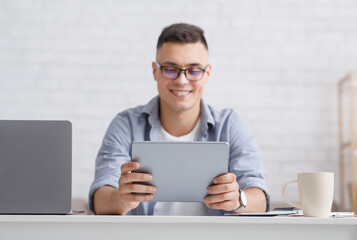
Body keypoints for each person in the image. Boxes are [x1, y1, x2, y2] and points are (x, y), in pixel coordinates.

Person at [89, 23, 269, 215]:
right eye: (170, 68)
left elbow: (261, 199)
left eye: (193, 70)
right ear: (155, 71)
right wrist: (120, 199)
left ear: (207, 73)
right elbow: (101, 198)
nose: (182, 80)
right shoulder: (126, 125)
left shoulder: (231, 124)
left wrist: (238, 199)